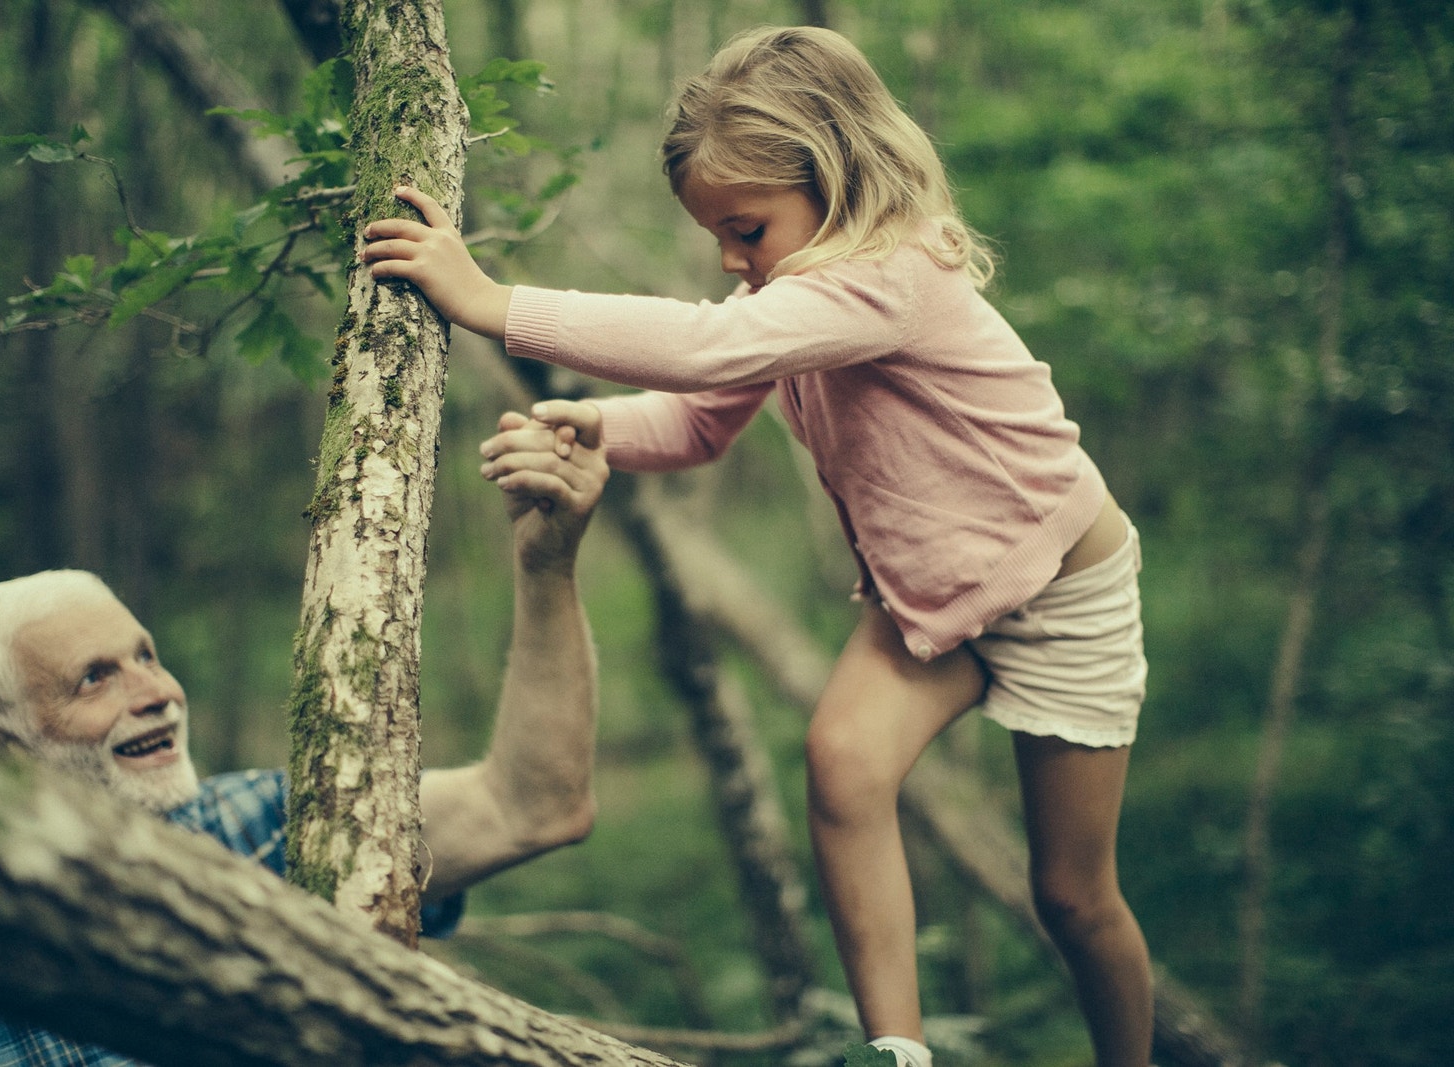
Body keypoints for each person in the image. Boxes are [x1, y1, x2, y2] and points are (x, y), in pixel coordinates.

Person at [359, 24, 1153, 1067]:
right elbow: (698, 421)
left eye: (746, 229)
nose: (733, 261)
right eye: (719, 238)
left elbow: (709, 348)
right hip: (934, 602)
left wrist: (492, 302)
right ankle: (896, 1051)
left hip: (1060, 590)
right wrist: (596, 426)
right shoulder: (786, 299)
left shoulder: (893, 273)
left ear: (835, 176)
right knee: (843, 763)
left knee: (1072, 894)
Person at [0, 409, 610, 1066]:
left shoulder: (267, 824)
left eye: (146, 656)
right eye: (95, 677)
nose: (157, 693)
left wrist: (545, 564)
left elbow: (530, 808)